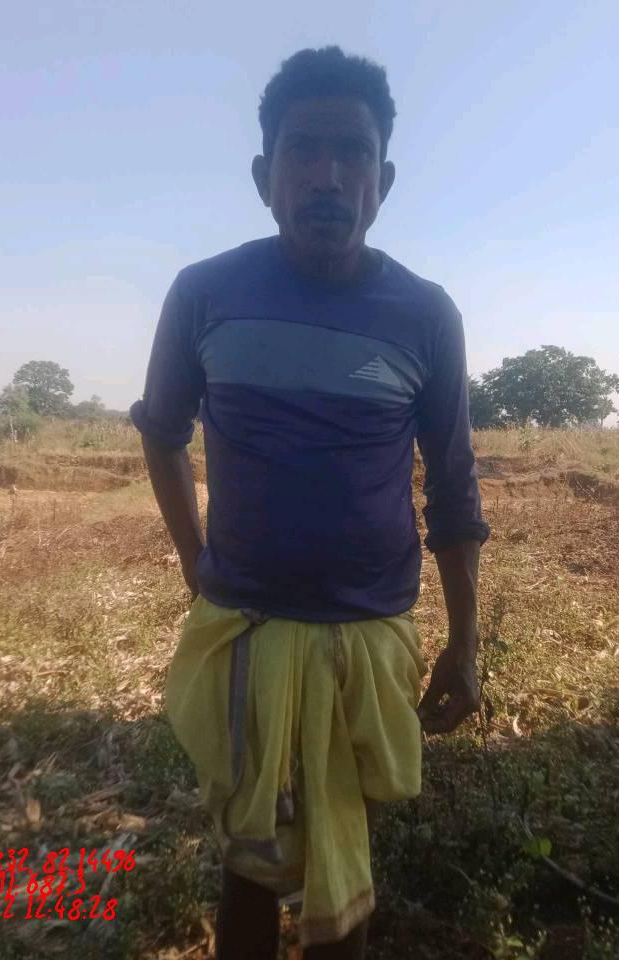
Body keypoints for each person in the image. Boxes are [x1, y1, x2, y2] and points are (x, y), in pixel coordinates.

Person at [130, 45, 490, 960]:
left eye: (354, 152)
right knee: (248, 863)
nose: (328, 176)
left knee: (344, 853)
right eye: (303, 150)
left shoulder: (427, 316)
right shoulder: (204, 294)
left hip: (369, 637)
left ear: (384, 180)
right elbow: (162, 431)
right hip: (245, 630)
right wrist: (195, 563)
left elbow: (453, 487)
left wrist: (466, 641)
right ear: (264, 176)